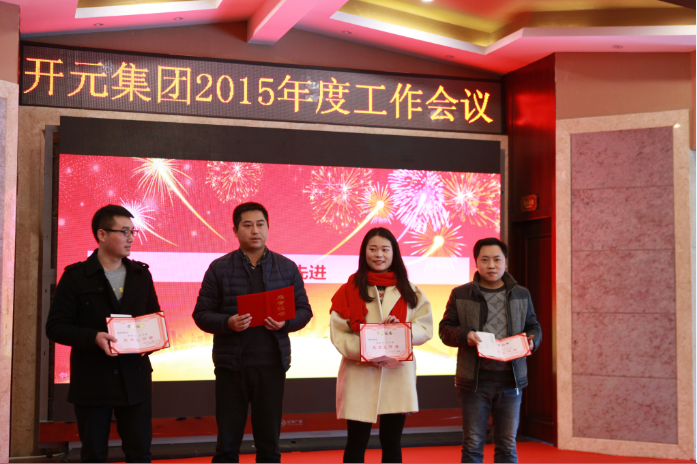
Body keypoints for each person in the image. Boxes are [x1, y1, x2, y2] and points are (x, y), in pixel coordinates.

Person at [192, 202, 313, 463]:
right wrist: (228, 322)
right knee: (227, 444)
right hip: (231, 367)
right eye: (247, 225)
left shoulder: (287, 267)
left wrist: (285, 323)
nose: (255, 230)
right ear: (235, 230)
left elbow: (304, 311)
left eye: (260, 224)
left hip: (272, 366)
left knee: (269, 444)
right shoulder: (219, 268)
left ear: (268, 228)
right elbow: (201, 314)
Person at [46, 205, 161, 463]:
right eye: (124, 232)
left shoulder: (141, 274)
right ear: (102, 234)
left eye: (133, 232)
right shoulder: (76, 276)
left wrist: (153, 340)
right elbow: (55, 327)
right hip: (93, 381)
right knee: (94, 455)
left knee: (140, 454)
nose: (131, 238)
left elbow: (152, 320)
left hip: (135, 380)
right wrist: (94, 337)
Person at [330, 227, 433, 463]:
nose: (379, 254)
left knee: (392, 441)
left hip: (397, 373)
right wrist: (367, 351)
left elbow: (425, 328)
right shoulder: (348, 290)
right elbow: (340, 334)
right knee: (356, 441)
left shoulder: (411, 290)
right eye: (373, 249)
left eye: (385, 249)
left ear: (394, 253)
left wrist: (402, 330)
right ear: (364, 252)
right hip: (360, 372)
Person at [439, 237, 542, 463]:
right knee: (472, 446)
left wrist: (533, 340)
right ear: (476, 262)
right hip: (475, 381)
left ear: (505, 262)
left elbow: (533, 325)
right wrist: (466, 335)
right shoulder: (461, 294)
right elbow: (445, 330)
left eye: (497, 259)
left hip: (511, 381)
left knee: (507, 447)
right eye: (485, 259)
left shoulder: (521, 294)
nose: (491, 265)